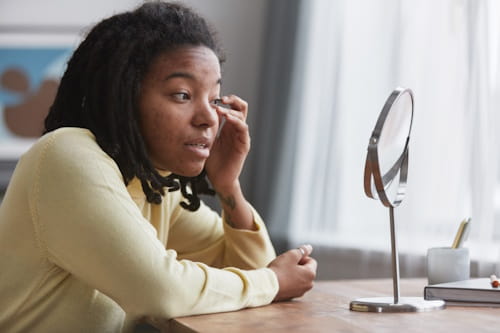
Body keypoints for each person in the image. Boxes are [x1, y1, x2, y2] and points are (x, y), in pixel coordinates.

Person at [0, 1, 317, 332]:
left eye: (214, 99)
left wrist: (227, 186)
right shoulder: (66, 154)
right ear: (124, 95)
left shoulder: (155, 185)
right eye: (182, 95)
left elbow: (257, 272)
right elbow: (160, 290)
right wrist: (274, 282)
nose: (209, 117)